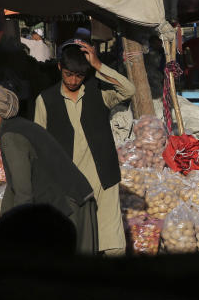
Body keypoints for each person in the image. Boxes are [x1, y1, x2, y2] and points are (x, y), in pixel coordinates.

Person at [0, 82, 98, 254]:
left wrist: (13, 236)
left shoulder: (12, 137)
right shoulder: (18, 127)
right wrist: (1, 225)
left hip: (69, 207)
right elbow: (13, 188)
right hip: (70, 203)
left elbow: (23, 194)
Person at [33, 40, 135, 256]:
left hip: (102, 177)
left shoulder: (98, 92)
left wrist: (98, 65)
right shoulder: (45, 100)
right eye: (68, 74)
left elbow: (129, 89)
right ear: (59, 67)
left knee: (113, 244)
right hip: (69, 182)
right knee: (78, 242)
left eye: (79, 76)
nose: (73, 80)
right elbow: (39, 144)